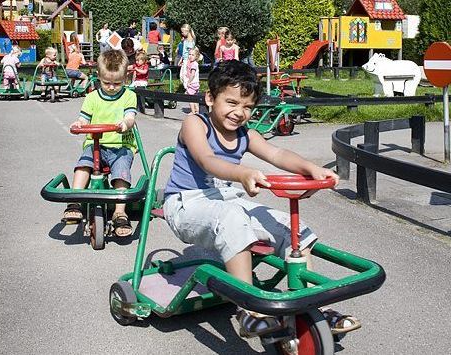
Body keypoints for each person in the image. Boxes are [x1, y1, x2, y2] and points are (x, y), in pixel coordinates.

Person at [162, 60, 359, 337]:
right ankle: (249, 310)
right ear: (209, 98)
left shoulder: (246, 134)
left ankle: (313, 304)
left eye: (247, 106)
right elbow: (206, 160)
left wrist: (310, 168)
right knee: (232, 218)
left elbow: (277, 155)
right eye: (231, 102)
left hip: (224, 198)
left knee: (290, 228)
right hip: (186, 203)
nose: (239, 113)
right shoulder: (195, 123)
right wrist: (242, 173)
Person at [63, 50, 138, 237]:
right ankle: (75, 201)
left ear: (125, 78)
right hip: (95, 145)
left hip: (120, 146)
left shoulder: (129, 96)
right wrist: (79, 123)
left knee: (121, 171)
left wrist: (125, 124)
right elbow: (84, 119)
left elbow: (130, 117)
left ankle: (120, 212)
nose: (112, 87)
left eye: (117, 83)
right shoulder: (92, 98)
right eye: (107, 83)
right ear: (98, 77)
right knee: (83, 165)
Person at [183, 47, 201, 114]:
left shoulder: (194, 64)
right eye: (189, 54)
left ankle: (193, 112)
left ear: (196, 57)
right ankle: (197, 110)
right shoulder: (191, 63)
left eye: (192, 55)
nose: (190, 56)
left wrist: (188, 82)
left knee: (190, 98)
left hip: (192, 83)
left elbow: (192, 75)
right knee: (194, 98)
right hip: (196, 83)